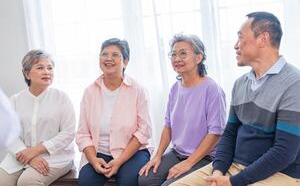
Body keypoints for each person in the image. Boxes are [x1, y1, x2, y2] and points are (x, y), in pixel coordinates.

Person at [170, 12, 300, 186]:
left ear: (263, 39)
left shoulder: (294, 83)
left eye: (240, 38)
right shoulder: (240, 84)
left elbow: (284, 152)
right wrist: (217, 172)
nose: (235, 45)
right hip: (234, 167)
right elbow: (229, 134)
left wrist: (233, 181)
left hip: (281, 173)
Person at [138, 34, 226, 186]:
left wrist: (189, 163)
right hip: (178, 153)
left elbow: (215, 133)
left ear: (198, 58)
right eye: (173, 54)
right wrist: (157, 155)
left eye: (183, 53)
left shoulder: (212, 89)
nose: (177, 59)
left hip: (206, 157)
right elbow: (168, 126)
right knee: (146, 179)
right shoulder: (175, 88)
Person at [76, 38, 153, 186]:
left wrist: (118, 161)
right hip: (98, 152)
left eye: (115, 55)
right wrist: (94, 160)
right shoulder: (90, 92)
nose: (108, 58)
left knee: (128, 181)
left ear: (126, 62)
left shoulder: (138, 90)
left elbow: (144, 131)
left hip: (132, 153)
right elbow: (83, 134)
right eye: (104, 54)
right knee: (86, 182)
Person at [0, 50, 76, 186]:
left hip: (55, 157)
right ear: (27, 73)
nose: (47, 72)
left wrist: (35, 151)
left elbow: (68, 133)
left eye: (50, 68)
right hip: (19, 156)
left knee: (27, 182)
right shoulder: (15, 100)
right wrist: (27, 155)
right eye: (40, 68)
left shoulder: (61, 98)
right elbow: (8, 133)